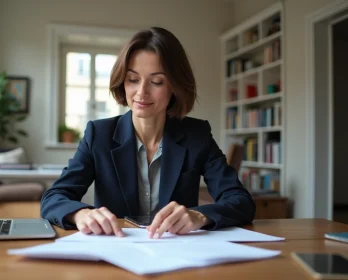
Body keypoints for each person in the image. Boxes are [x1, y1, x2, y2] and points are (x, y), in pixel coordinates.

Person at [41, 26, 255, 238]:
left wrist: (200, 216)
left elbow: (240, 200)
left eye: (157, 82)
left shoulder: (196, 135)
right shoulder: (99, 134)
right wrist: (80, 214)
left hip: (178, 255)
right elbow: (54, 197)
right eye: (133, 79)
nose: (141, 92)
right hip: (115, 253)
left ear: (175, 86)